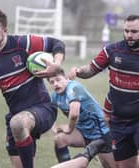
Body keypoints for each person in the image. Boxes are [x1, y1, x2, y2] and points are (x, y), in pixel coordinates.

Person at [0, 8, 65, 168]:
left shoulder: (23, 43)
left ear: (5, 30)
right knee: (16, 126)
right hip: (16, 117)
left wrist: (56, 65)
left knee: (17, 123)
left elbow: (57, 43)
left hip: (43, 109)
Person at [69, 14, 139, 168]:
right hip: (118, 121)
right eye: (126, 31)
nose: (129, 35)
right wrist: (79, 71)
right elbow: (91, 69)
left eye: (134, 32)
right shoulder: (112, 50)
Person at [47, 69, 116, 168]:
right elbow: (50, 113)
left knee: (112, 166)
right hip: (83, 132)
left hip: (101, 133)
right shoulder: (55, 96)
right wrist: (53, 128)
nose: (56, 84)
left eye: (58, 80)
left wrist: (69, 128)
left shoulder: (74, 88)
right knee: (60, 139)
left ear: (66, 78)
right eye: (52, 82)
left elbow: (74, 114)